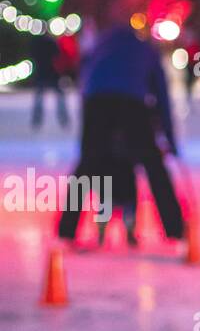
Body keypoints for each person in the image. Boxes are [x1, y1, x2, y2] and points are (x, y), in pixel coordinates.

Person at [57, 22, 184, 245]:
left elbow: (85, 84)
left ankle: (67, 229)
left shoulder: (98, 46)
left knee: (87, 165)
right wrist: (170, 140)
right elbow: (161, 98)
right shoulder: (146, 49)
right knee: (153, 165)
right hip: (132, 103)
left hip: (97, 102)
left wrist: (87, 142)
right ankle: (175, 228)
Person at [29, 31, 70, 130]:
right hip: (52, 73)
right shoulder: (52, 42)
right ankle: (63, 119)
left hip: (42, 73)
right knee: (59, 96)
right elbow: (58, 55)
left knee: (39, 97)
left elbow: (33, 55)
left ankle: (36, 120)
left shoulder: (37, 43)